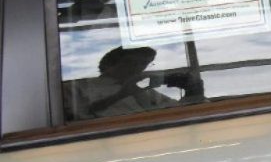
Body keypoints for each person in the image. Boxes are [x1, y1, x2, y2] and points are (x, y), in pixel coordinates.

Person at [66, 46, 205, 121]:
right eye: (131, 63)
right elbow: (75, 117)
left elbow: (177, 112)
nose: (138, 68)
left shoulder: (145, 90)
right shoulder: (79, 86)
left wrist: (192, 90)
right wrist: (121, 95)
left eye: (144, 64)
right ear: (109, 65)